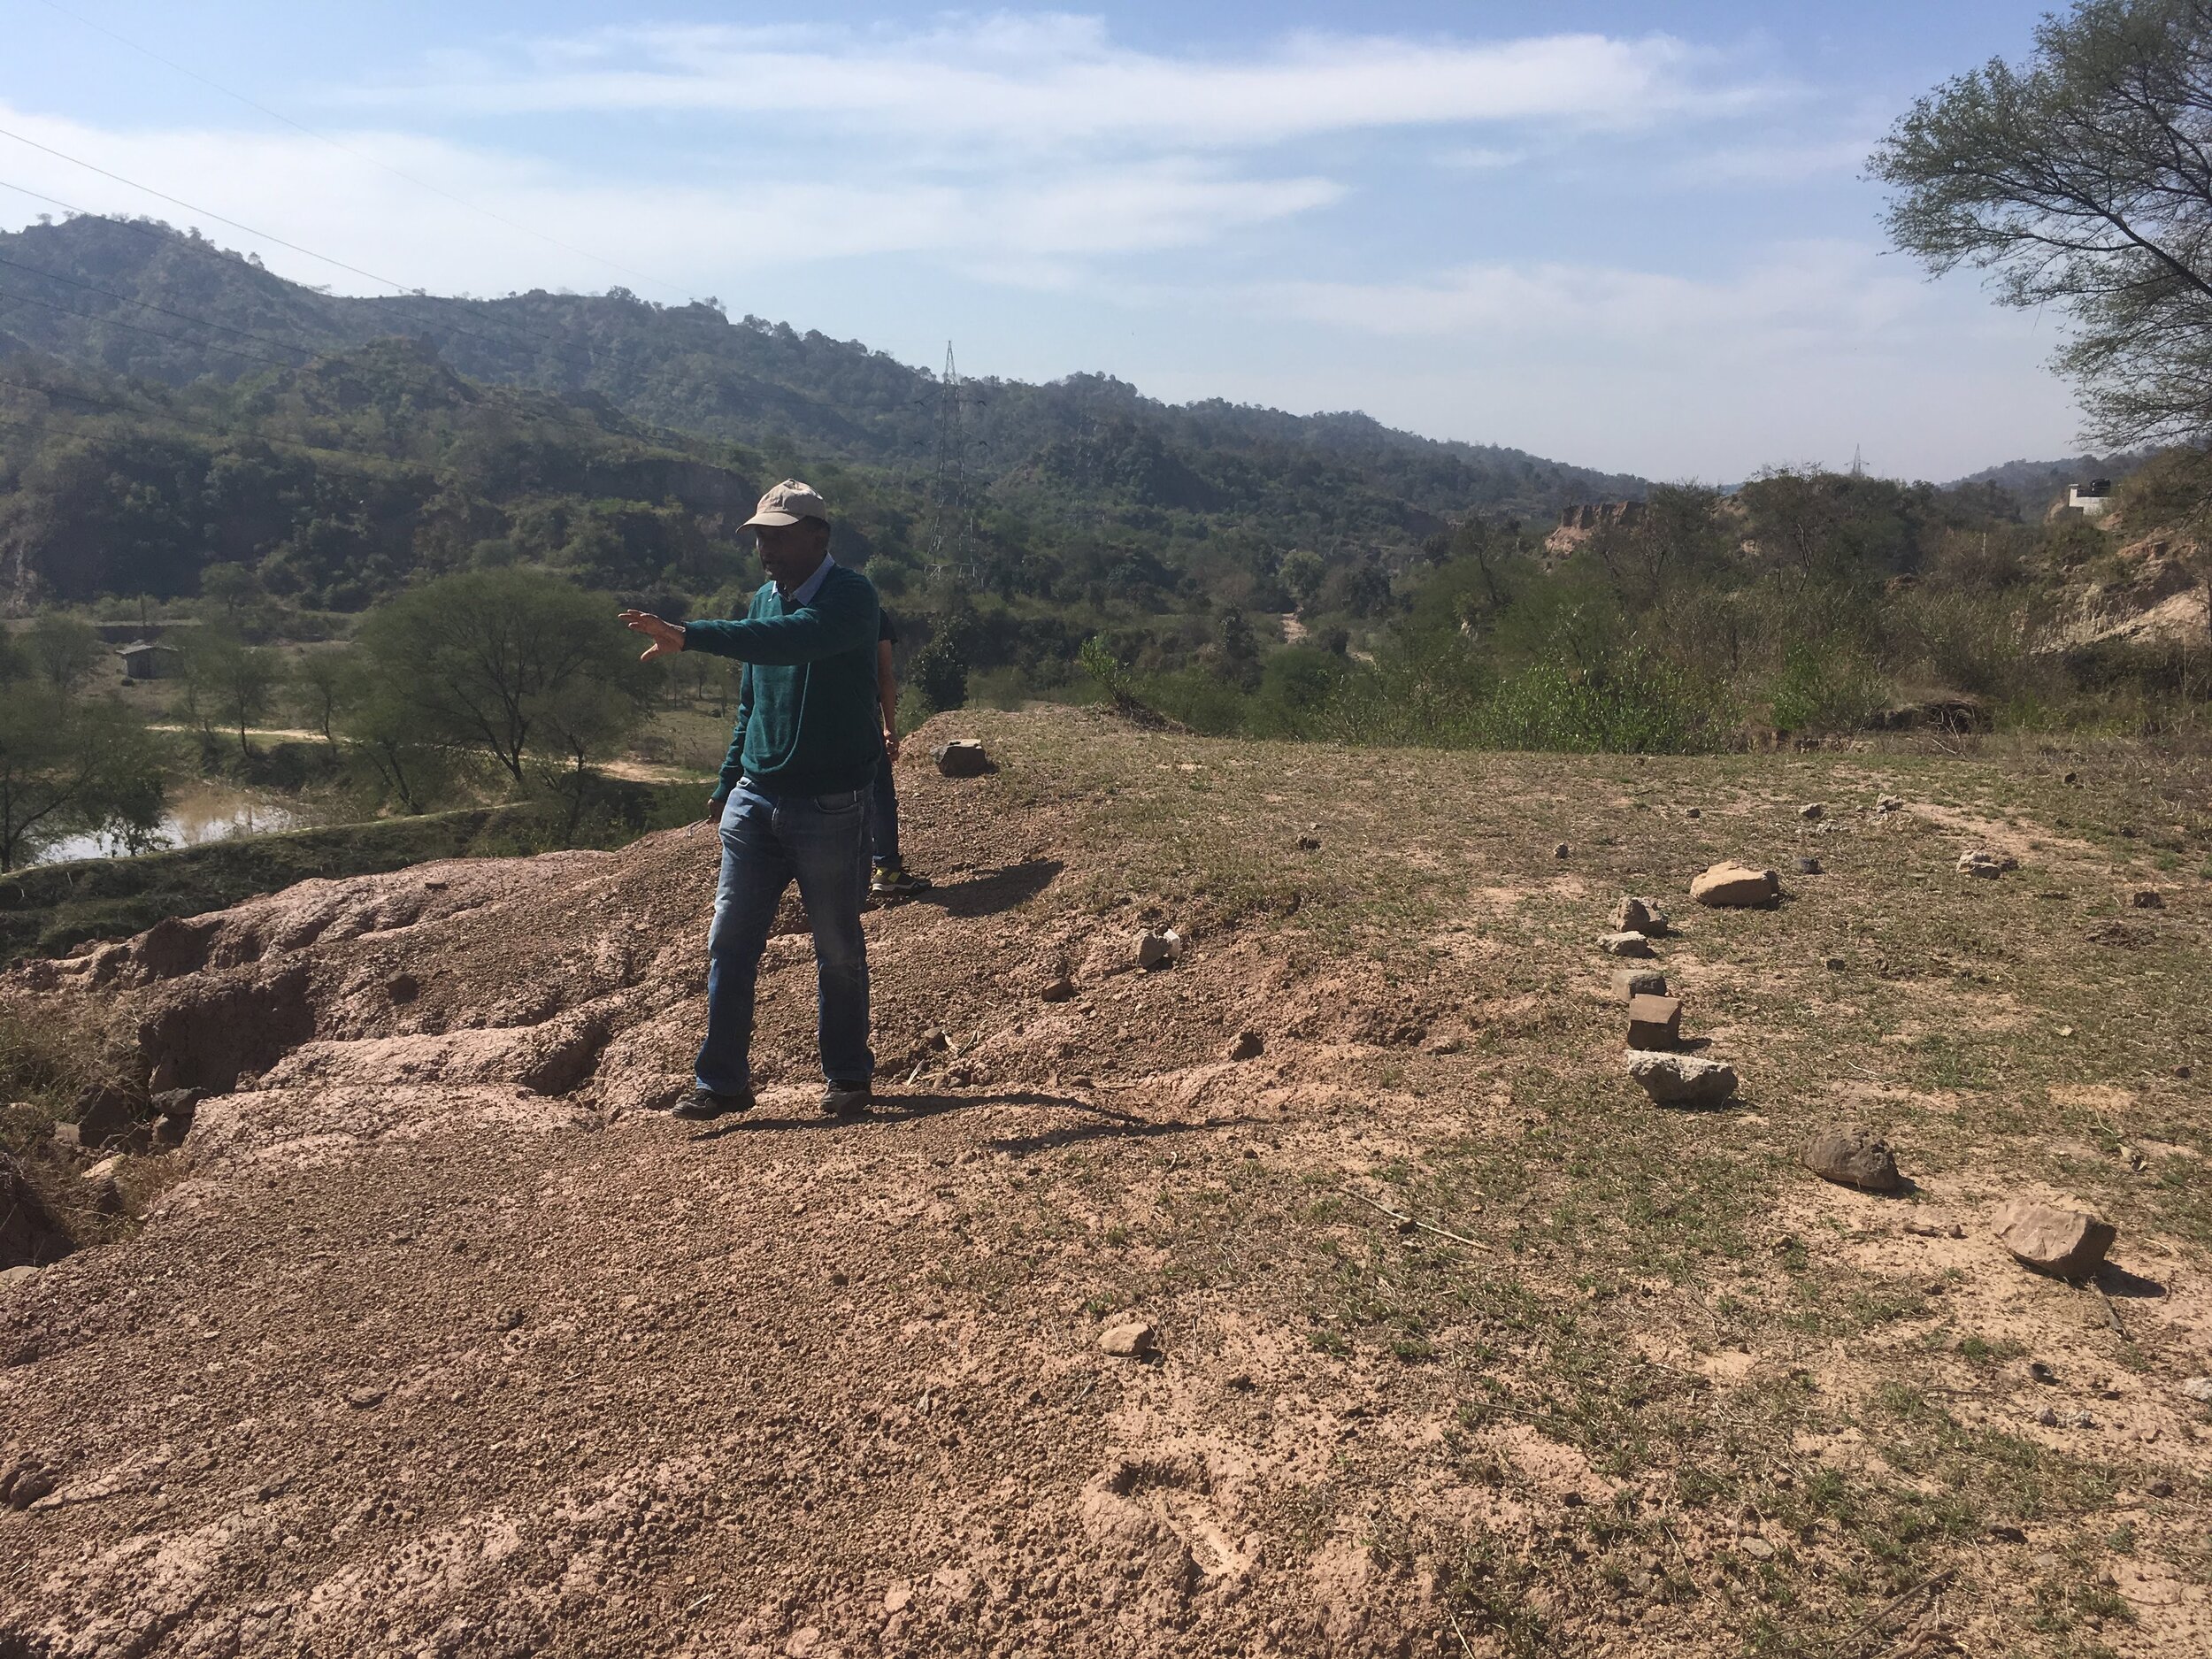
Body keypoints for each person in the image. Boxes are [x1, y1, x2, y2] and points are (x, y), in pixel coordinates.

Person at [618, 480, 882, 1121]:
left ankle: (847, 1075)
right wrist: (728, 776)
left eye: (779, 535)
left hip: (828, 804)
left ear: (818, 536)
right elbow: (751, 699)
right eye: (760, 535)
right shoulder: (764, 599)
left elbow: (792, 641)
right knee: (729, 942)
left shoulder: (851, 596)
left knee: (838, 948)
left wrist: (693, 635)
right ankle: (723, 1080)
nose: (765, 548)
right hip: (755, 799)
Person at [869, 608, 930, 900]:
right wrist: (889, 727)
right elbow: (884, 674)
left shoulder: (792, 604)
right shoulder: (867, 607)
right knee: (878, 792)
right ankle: (887, 872)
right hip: (859, 720)